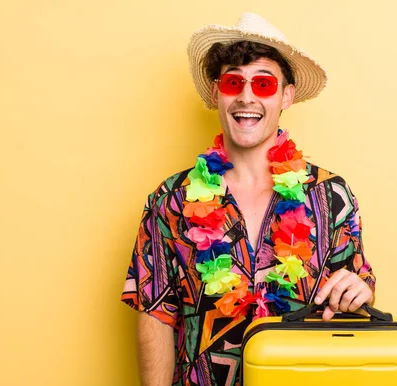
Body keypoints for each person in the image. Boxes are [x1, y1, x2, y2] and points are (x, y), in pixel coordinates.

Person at [121, 13, 376, 386]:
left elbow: (354, 286)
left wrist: (361, 289)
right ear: (215, 93)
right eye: (233, 82)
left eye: (263, 83)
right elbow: (155, 312)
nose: (246, 97)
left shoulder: (331, 196)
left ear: (286, 95)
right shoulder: (171, 201)